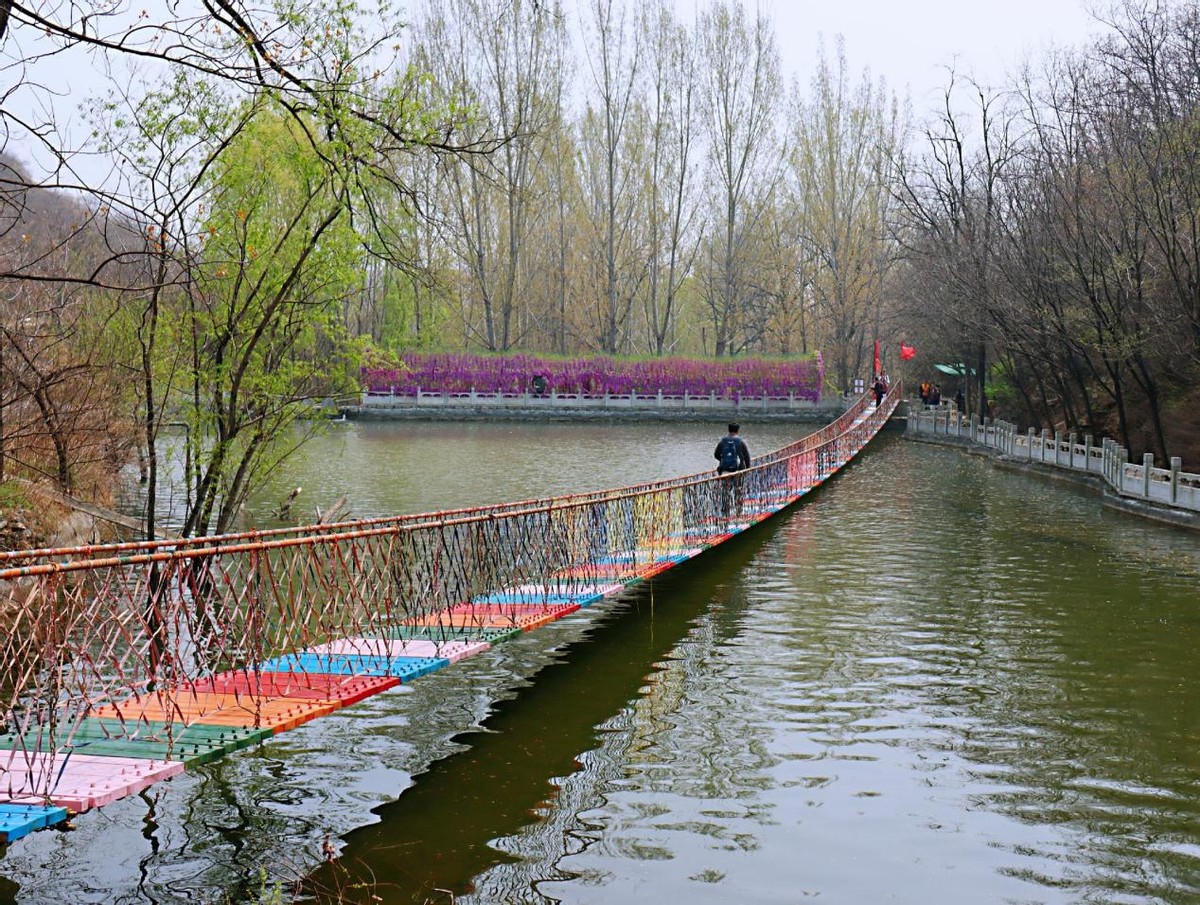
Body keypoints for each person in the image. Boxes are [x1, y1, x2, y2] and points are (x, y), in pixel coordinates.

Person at [714, 422, 751, 517]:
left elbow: (716, 454)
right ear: (738, 430)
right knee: (738, 490)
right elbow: (747, 457)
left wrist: (723, 460)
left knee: (725, 491)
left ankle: (725, 512)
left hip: (725, 470)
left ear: (728, 430)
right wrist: (747, 469)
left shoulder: (722, 442)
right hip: (738, 470)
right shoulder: (740, 441)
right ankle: (738, 512)